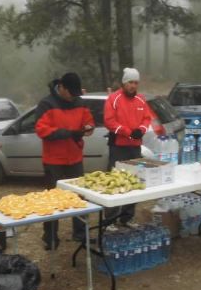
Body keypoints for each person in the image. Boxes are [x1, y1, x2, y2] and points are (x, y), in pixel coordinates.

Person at [35, 72, 95, 249]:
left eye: (77, 93)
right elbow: (41, 130)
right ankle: (50, 236)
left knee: (79, 198)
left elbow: (89, 121)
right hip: (54, 161)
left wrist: (87, 128)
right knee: (53, 200)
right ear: (61, 87)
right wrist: (68, 133)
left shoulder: (79, 102)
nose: (74, 97)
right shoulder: (46, 104)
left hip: (75, 158)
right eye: (71, 93)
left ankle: (80, 233)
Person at [103, 67, 152, 226]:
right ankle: (110, 220)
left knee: (133, 181)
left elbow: (147, 119)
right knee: (114, 182)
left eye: (136, 82)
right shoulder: (113, 98)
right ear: (124, 83)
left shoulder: (141, 99)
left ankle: (127, 217)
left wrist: (141, 130)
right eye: (130, 82)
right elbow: (109, 122)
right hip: (118, 147)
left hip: (135, 147)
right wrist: (128, 132)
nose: (133, 85)